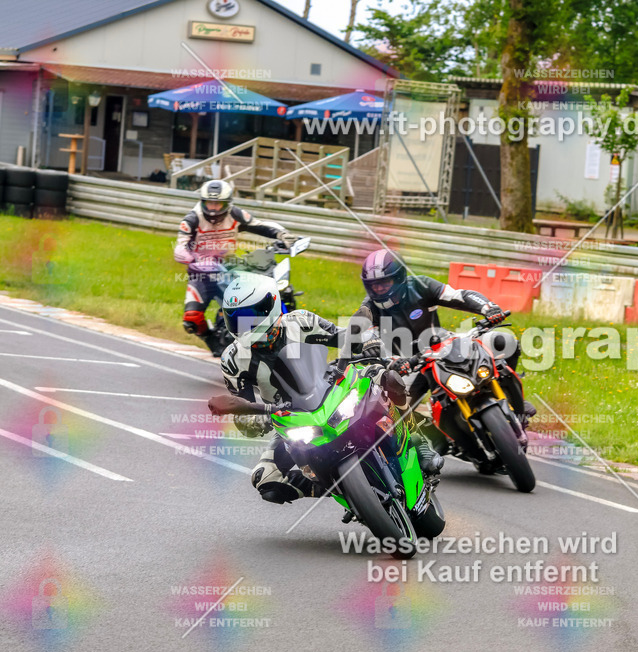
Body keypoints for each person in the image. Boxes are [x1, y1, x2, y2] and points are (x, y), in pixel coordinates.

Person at [216, 274, 441, 506]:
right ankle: (342, 490)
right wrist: (255, 419)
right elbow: (240, 407)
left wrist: (366, 342)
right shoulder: (233, 359)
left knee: (387, 377)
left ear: (270, 305)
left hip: (333, 386)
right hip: (289, 419)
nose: (244, 325)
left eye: (250, 316)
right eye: (236, 318)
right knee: (266, 481)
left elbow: (341, 336)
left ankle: (418, 437)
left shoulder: (299, 322)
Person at [351, 249, 535, 432]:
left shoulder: (421, 285)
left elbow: (458, 296)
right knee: (394, 419)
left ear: (399, 278)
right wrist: (382, 354)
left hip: (444, 347)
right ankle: (431, 443)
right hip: (408, 365)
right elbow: (363, 331)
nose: (379, 289)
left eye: (384, 282)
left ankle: (514, 402)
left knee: (505, 341)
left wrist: (488, 308)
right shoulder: (369, 306)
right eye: (374, 285)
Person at [173, 179, 298, 357]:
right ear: (202, 201)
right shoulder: (192, 219)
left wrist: (282, 235)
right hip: (201, 273)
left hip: (228, 267)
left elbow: (259, 225)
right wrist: (189, 257)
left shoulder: (235, 214)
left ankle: (267, 335)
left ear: (227, 203)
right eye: (210, 203)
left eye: (218, 203)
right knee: (192, 319)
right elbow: (180, 245)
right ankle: (212, 340)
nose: (214, 208)